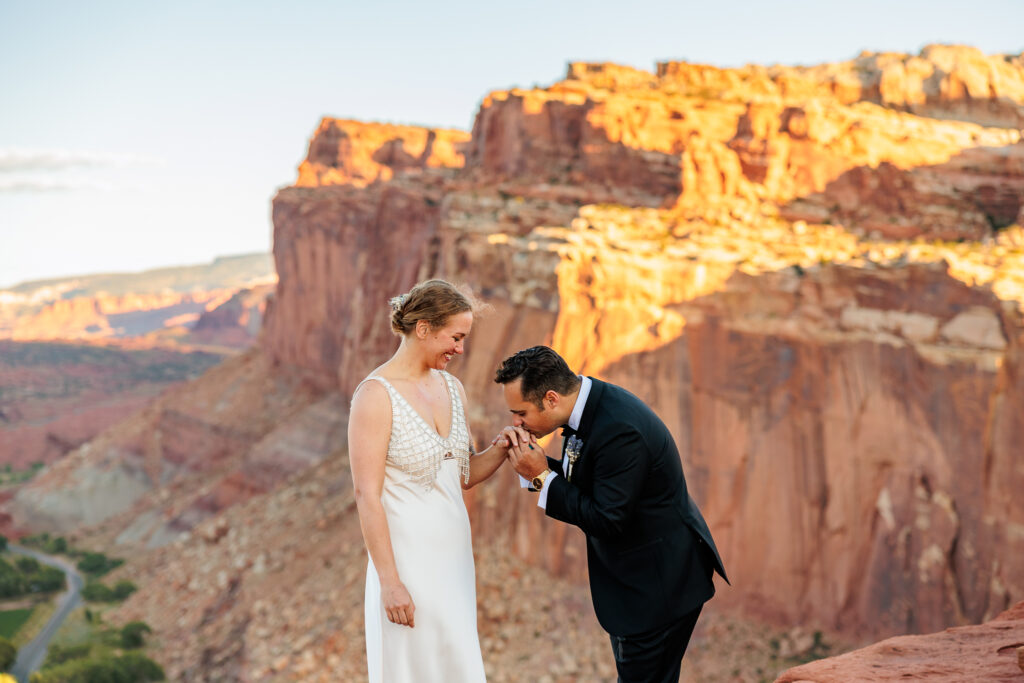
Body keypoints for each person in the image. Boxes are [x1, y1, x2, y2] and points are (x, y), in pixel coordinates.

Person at [494, 345, 729, 683]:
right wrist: (536, 468)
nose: (516, 422)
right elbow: (592, 480)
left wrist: (541, 475)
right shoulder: (587, 407)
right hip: (645, 579)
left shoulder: (619, 429)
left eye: (521, 413)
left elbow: (608, 519)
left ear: (550, 398)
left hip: (658, 588)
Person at [348, 279, 506, 683]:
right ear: (423, 329)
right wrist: (390, 582)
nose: (460, 348)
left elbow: (464, 473)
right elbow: (367, 495)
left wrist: (504, 447)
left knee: (457, 666)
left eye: (464, 338)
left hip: (453, 561)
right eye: (455, 337)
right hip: (406, 565)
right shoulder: (375, 395)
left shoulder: (453, 388)